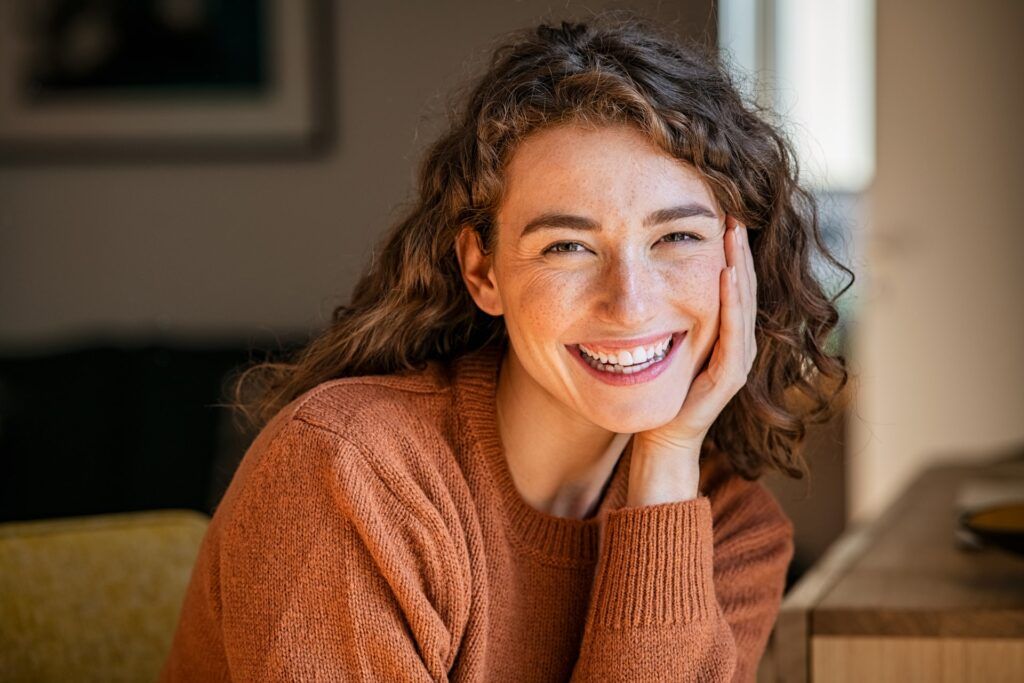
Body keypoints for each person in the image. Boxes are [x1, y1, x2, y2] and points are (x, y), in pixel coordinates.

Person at [160, 13, 851, 682]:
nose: (630, 301)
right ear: (483, 270)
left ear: (743, 263)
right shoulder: (352, 472)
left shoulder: (735, 530)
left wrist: (666, 470)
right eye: (568, 246)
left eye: (677, 238)